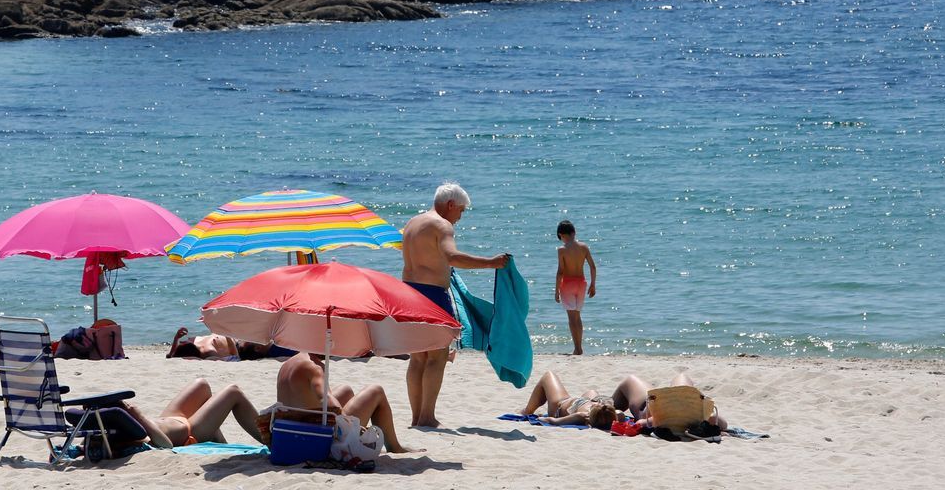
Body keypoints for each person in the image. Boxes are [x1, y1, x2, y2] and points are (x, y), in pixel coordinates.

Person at [401, 183, 508, 427]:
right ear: (450, 205)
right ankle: (427, 417)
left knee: (417, 359)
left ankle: (417, 417)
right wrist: (491, 262)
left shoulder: (413, 223)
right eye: (460, 211)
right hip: (432, 296)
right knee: (437, 358)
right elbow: (452, 257)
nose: (459, 217)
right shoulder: (442, 225)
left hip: (408, 293)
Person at [275, 351, 416, 453]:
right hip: (318, 440)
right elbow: (326, 400)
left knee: (345, 390)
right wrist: (350, 425)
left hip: (291, 436)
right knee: (376, 391)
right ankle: (395, 447)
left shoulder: (287, 365)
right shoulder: (314, 367)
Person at [518, 370, 727, 432]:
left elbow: (554, 421)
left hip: (567, 404)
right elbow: (618, 415)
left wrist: (532, 415)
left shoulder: (587, 416)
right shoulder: (608, 413)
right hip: (576, 404)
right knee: (682, 377)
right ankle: (683, 403)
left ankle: (524, 409)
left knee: (550, 376)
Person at [117, 378, 265, 450]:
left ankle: (220, 442)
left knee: (202, 384)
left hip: (172, 417)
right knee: (233, 392)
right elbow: (166, 445)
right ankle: (269, 440)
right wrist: (139, 416)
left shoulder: (116, 427)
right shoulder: (129, 438)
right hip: (190, 432)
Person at [553, 220, 596, 355]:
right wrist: (593, 284)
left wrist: (556, 290)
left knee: (571, 318)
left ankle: (577, 348)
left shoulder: (562, 250)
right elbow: (592, 267)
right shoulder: (583, 247)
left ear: (561, 235)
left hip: (568, 284)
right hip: (581, 283)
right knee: (577, 316)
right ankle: (579, 346)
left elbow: (560, 271)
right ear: (574, 233)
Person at [166, 327, 239, 359]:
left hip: (224, 334)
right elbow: (235, 357)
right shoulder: (209, 351)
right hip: (234, 340)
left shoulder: (194, 342)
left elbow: (171, 356)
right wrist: (227, 335)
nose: (181, 342)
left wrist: (176, 338)